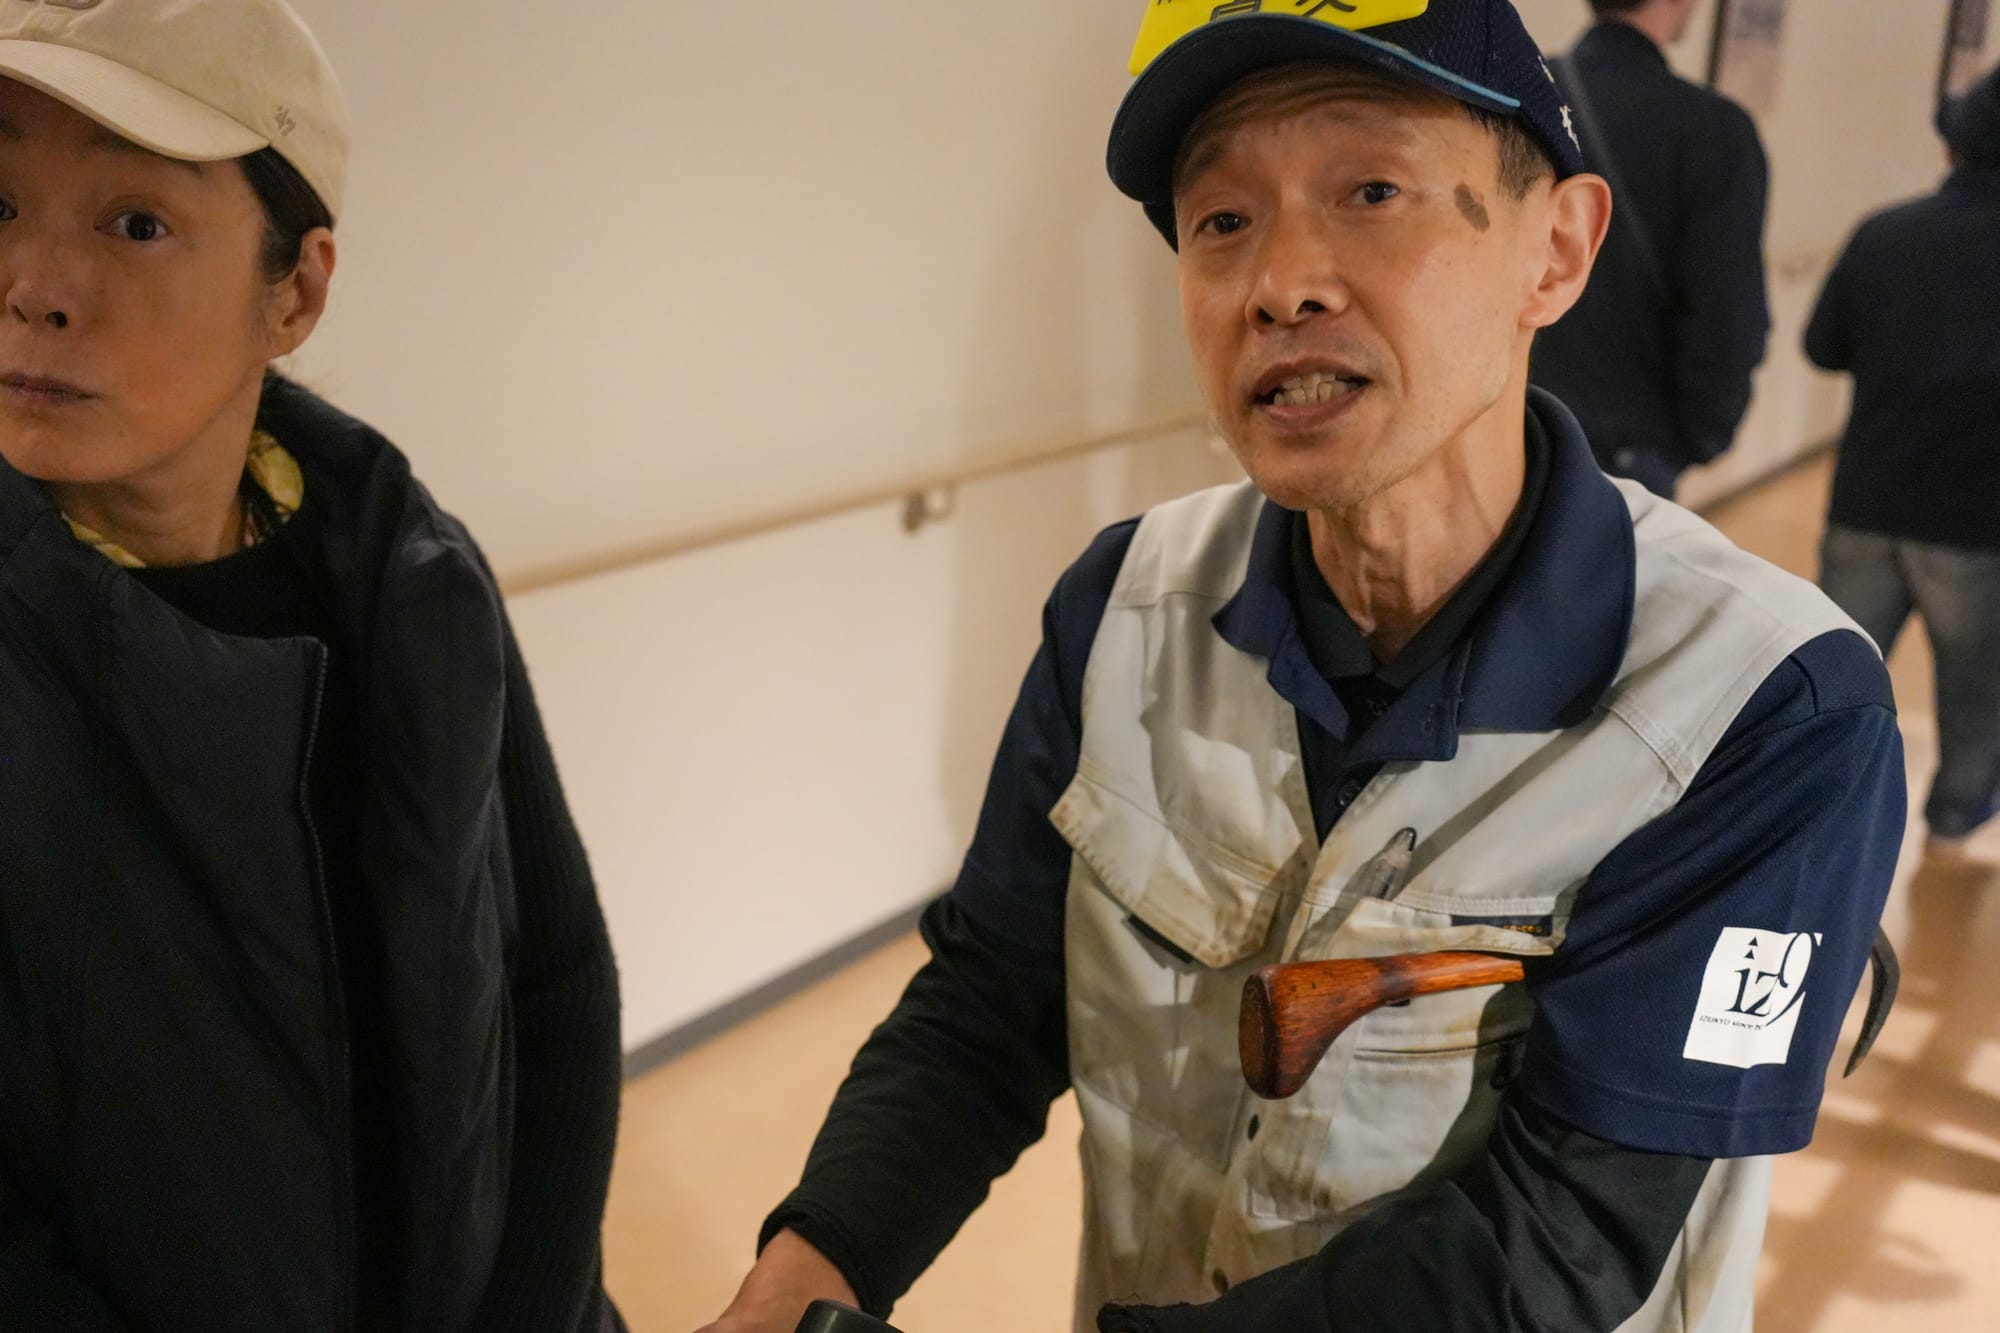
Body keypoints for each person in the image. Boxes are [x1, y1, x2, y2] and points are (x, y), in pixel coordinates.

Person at [702, 2, 1902, 1330]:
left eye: (1371, 191)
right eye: (1221, 219)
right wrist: (798, 1279)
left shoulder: (1765, 707)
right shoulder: (1125, 607)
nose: (1280, 284)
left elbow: (1563, 1246)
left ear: (1554, 251)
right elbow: (988, 1004)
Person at [0, 2, 624, 1328]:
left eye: (134, 222)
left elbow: (556, 979)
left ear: (295, 291)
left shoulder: (413, 574)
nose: (35, 287)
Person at [1806, 64, 2000, 858]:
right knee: (1976, 696)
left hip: (1866, 500)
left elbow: (1823, 346)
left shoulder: (1885, 232)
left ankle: (1805, 816)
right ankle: (1951, 829)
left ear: (1954, 147)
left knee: (1828, 685)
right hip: (1978, 523)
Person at [1530, 0, 1772, 498]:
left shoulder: (1518, 97)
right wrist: (1699, 437)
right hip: (1627, 452)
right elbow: (1726, 312)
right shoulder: (1712, 130)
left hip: (1502, 428)